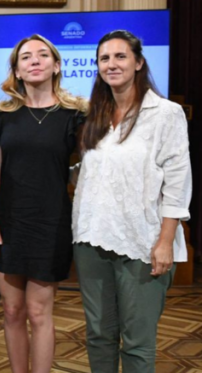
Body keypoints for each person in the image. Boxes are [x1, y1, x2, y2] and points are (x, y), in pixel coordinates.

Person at [72, 29, 191, 373]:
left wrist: (166, 241)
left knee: (138, 343)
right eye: (104, 58)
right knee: (98, 335)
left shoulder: (166, 113)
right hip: (90, 239)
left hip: (143, 242)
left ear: (138, 62)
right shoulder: (94, 115)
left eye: (120, 56)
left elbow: (178, 182)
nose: (112, 64)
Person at [0, 34, 86, 373]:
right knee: (12, 311)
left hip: (51, 221)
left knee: (40, 312)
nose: (35, 61)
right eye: (26, 57)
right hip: (8, 221)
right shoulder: (0, 115)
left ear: (57, 65)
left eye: (43, 55)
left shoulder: (75, 115)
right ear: (17, 69)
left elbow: (87, 170)